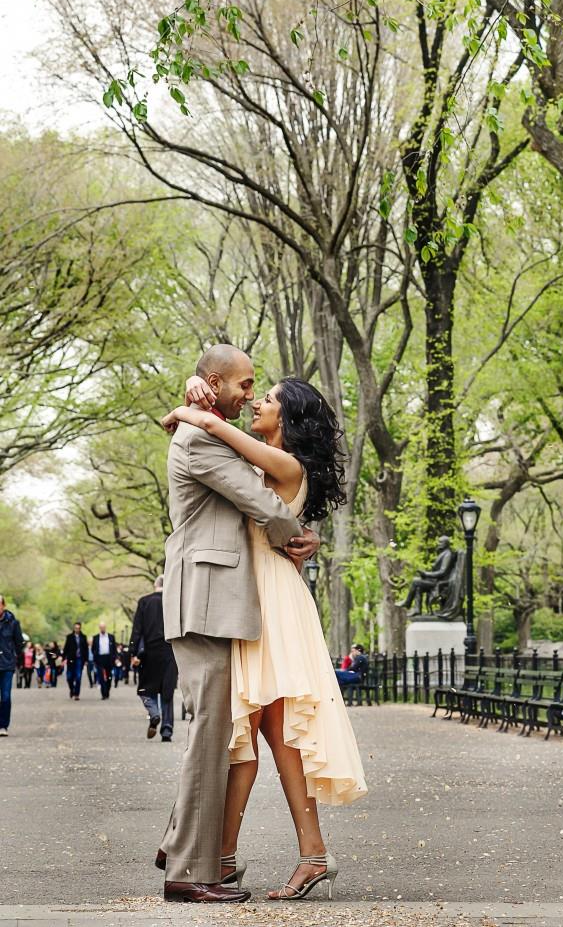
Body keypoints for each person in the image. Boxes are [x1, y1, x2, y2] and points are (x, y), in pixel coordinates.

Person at [160, 355, 367, 903]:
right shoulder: (268, 460)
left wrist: (196, 411)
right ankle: (218, 853)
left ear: (288, 420)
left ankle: (304, 855)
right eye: (252, 390)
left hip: (271, 599)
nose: (256, 400)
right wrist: (191, 398)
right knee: (245, 735)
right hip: (252, 595)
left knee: (273, 734)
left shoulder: (281, 462)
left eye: (267, 397)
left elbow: (217, 437)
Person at [130, 575, 178, 742]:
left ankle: (154, 713)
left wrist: (133, 653)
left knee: (145, 689)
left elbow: (137, 630)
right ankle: (167, 730)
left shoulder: (144, 602)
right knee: (167, 692)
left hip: (149, 653)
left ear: (154, 585)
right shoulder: (174, 601)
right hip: (170, 652)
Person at [0, 595, 24, 736]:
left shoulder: (13, 623)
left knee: (6, 696)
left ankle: (3, 725)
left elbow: (19, 643)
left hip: (7, 664)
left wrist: (14, 655)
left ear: (3, 605)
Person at [62, 622, 89, 700]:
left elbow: (86, 649)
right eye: (75, 628)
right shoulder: (69, 637)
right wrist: (63, 658)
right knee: (69, 677)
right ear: (73, 628)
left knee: (78, 676)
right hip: (71, 659)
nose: (77, 629)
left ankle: (76, 694)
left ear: (80, 628)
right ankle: (72, 689)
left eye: (78, 628)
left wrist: (86, 660)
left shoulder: (83, 637)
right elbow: (66, 648)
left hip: (79, 659)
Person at [92, 623, 117, 700]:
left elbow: (114, 649)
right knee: (101, 677)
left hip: (109, 658)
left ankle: (107, 690)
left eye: (103, 627)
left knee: (109, 677)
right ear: (99, 628)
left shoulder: (111, 637)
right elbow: (93, 649)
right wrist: (95, 657)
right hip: (100, 658)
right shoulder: (96, 637)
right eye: (101, 627)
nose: (102, 629)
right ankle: (103, 693)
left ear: (105, 627)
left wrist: (115, 658)